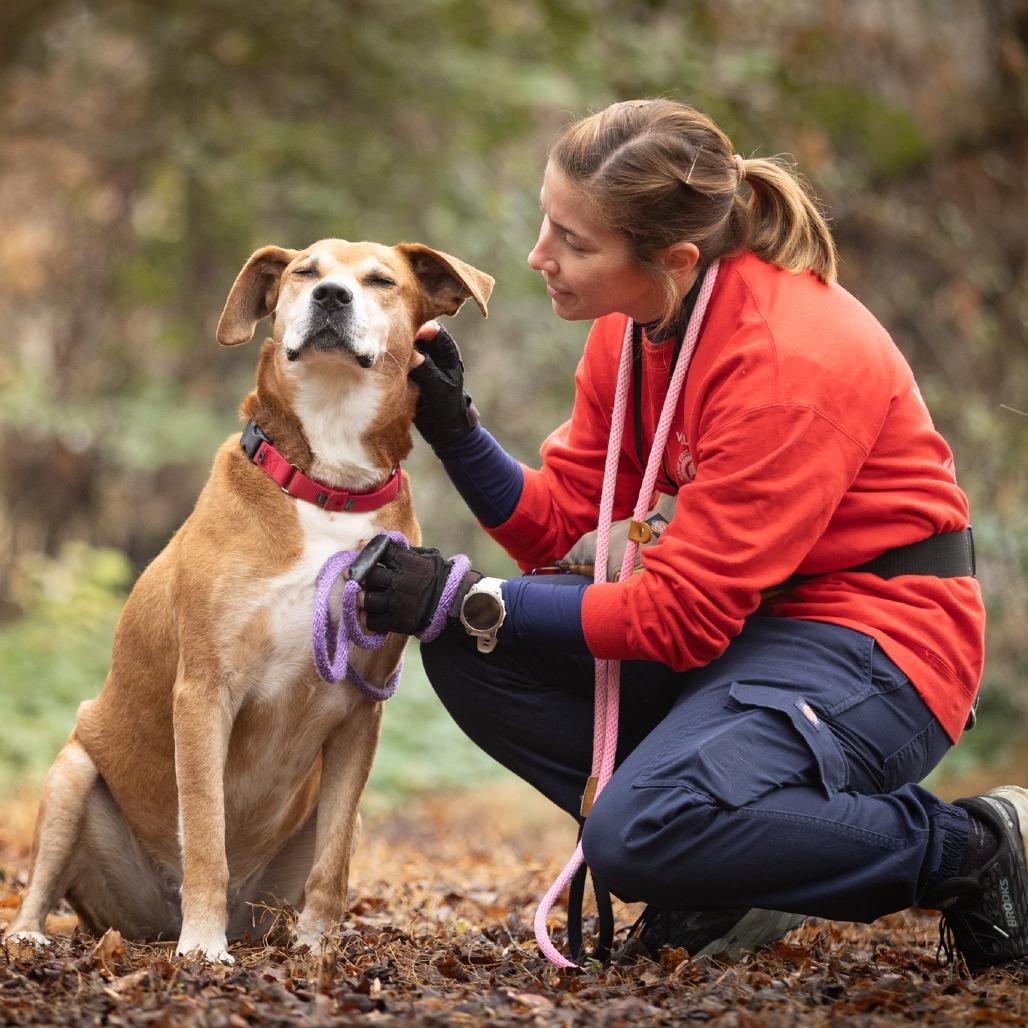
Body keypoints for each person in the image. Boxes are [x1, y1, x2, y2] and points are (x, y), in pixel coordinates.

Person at [356, 98, 1026, 974]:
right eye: (547, 222)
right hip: (755, 637)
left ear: (672, 259)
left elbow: (679, 619)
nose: (539, 258)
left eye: (575, 242)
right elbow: (560, 521)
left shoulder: (786, 359)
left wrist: (474, 597)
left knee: (632, 835)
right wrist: (452, 426)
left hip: (880, 646)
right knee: (470, 646)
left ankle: (972, 849)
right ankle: (714, 854)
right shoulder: (634, 329)